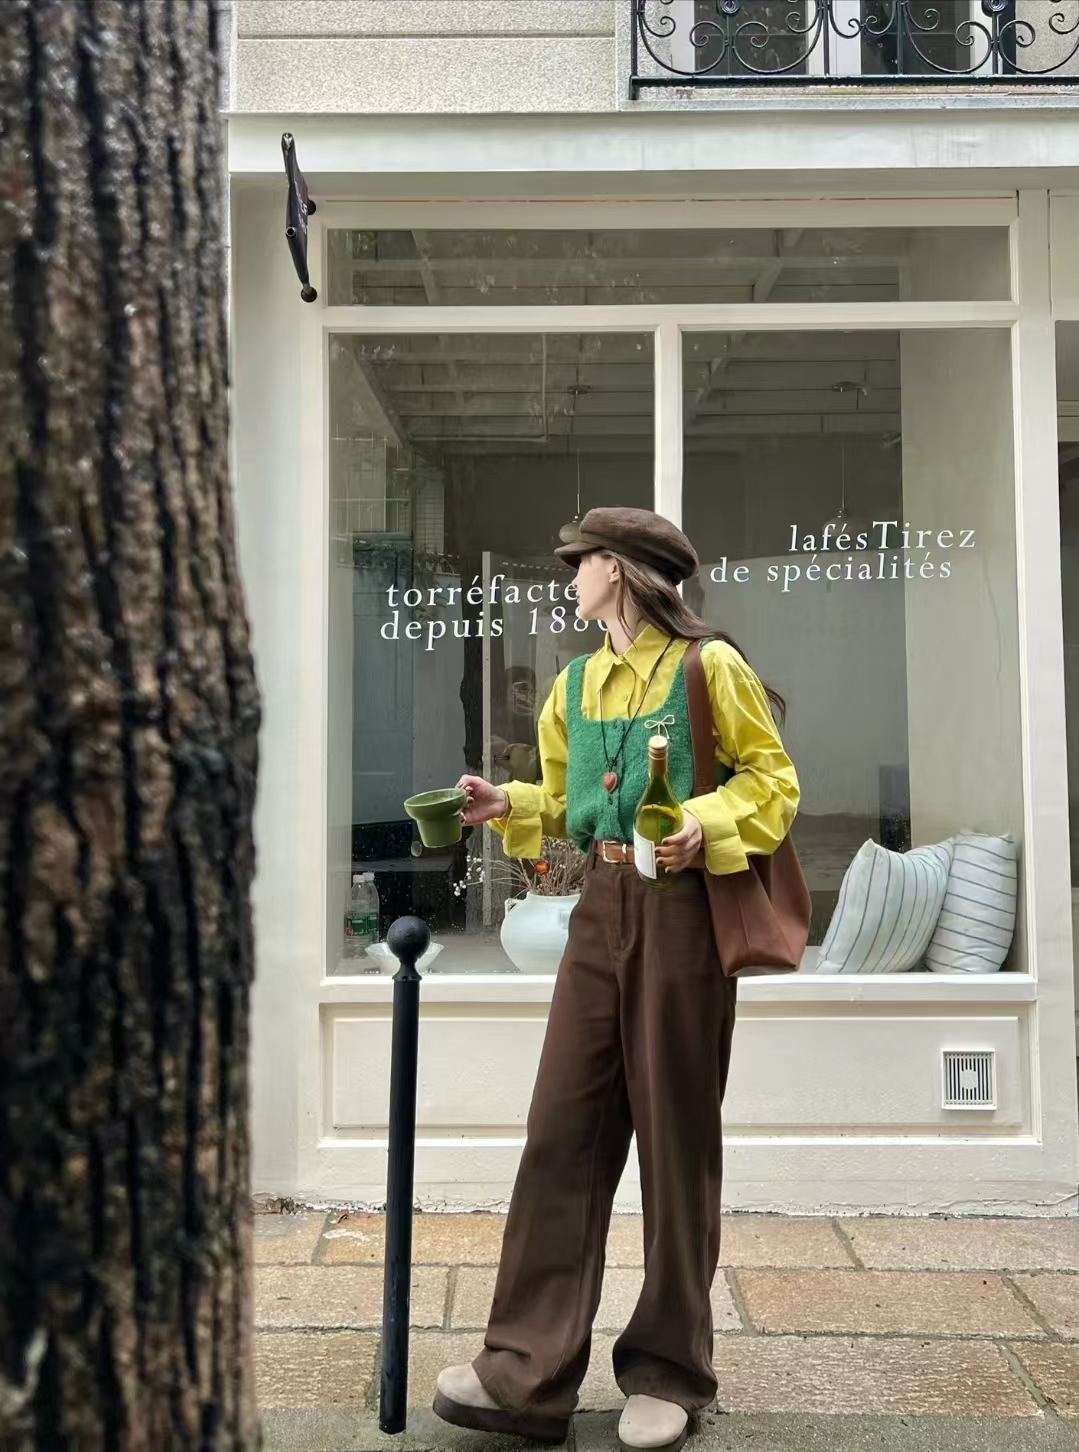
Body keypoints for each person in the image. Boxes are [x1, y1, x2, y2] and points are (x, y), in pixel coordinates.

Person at [434, 508, 799, 1452]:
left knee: (677, 1141)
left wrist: (705, 823)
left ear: (624, 572)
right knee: (561, 1129)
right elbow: (567, 802)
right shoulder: (576, 682)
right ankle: (523, 1372)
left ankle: (671, 1372)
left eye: (582, 563)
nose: (570, 581)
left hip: (682, 913)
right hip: (599, 904)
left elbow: (772, 782)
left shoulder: (707, 668)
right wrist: (505, 801)